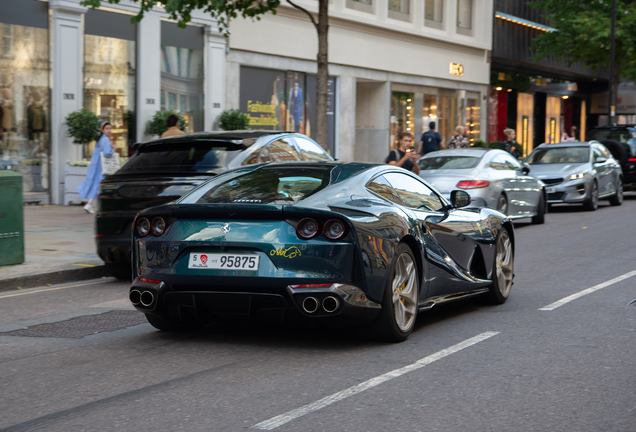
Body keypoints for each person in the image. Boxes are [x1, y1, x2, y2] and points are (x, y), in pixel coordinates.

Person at [76, 121, 114, 214]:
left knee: (96, 185)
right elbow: (107, 153)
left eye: (110, 128)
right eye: (107, 129)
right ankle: (90, 205)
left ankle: (91, 204)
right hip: (102, 167)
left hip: (97, 166)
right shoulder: (105, 139)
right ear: (102, 130)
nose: (109, 130)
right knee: (99, 185)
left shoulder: (100, 139)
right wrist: (113, 149)